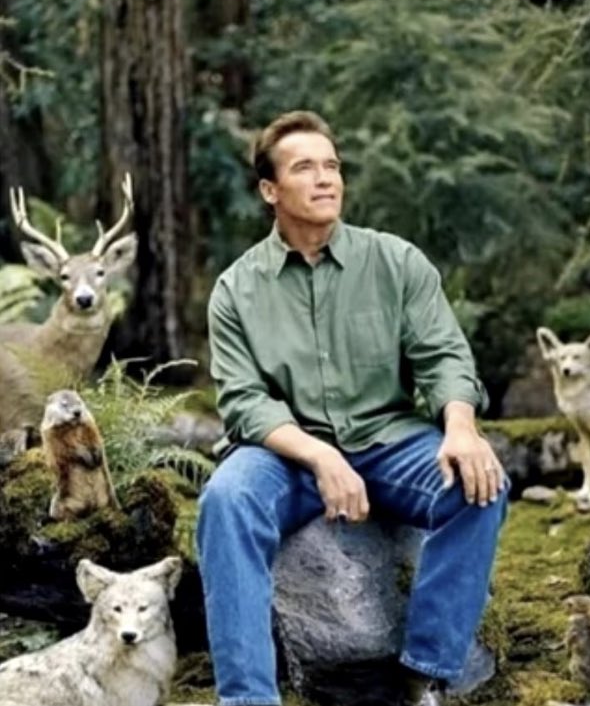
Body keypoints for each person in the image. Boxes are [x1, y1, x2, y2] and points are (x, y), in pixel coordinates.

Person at [198, 110, 509, 706]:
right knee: (226, 500)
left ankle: (424, 672)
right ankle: (247, 699)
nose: (325, 179)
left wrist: (461, 426)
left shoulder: (395, 261)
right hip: (285, 455)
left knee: (482, 484)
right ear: (269, 191)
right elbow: (243, 402)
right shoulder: (237, 289)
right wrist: (321, 458)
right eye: (304, 168)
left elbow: (444, 356)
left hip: (390, 441)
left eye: (333, 166)